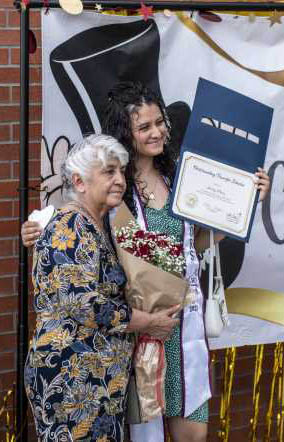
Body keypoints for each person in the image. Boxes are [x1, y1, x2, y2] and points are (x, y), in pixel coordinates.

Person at [22, 82, 271, 442]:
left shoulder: (180, 178)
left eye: (160, 123)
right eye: (144, 127)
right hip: (137, 331)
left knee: (193, 432)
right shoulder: (111, 187)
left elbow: (194, 244)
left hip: (181, 326)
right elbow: (68, 222)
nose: (156, 132)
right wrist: (34, 229)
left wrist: (247, 204)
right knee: (146, 434)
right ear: (127, 133)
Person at [24, 134, 180, 442]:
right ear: (80, 182)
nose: (120, 180)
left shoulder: (100, 225)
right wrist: (149, 322)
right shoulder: (69, 227)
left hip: (96, 382)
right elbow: (87, 305)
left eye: (121, 171)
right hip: (73, 380)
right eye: (109, 172)